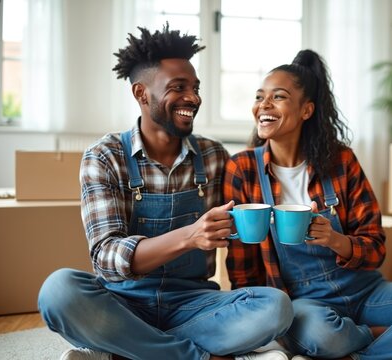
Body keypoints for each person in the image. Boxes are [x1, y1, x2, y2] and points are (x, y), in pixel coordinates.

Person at [37, 23, 294, 360]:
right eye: (178, 87)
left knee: (275, 307)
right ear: (142, 94)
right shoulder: (105, 156)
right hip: (123, 302)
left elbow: (240, 230)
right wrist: (189, 236)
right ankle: (196, 355)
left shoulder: (214, 155)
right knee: (59, 291)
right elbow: (106, 257)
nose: (193, 98)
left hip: (193, 303)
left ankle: (122, 350)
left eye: (195, 87)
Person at [223, 49, 392, 360]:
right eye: (259, 97)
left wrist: (336, 240)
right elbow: (242, 262)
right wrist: (261, 318)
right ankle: (378, 338)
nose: (263, 105)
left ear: (306, 110)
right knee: (324, 336)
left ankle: (359, 354)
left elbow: (376, 246)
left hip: (367, 292)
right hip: (306, 302)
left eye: (277, 97)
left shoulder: (340, 160)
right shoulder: (242, 169)